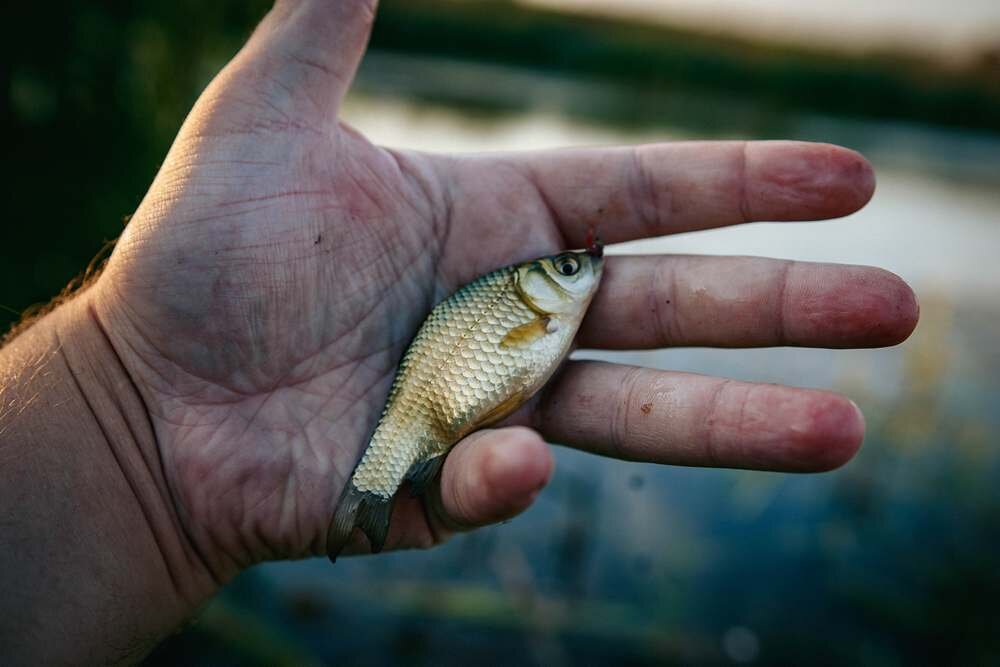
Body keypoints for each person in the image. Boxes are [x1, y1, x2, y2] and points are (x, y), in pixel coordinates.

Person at [0, 1, 918, 662]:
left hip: (431, 397)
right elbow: (515, 363)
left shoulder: (530, 312)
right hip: (420, 404)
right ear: (541, 286)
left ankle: (370, 482)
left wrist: (118, 412)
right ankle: (372, 483)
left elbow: (517, 363)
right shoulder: (526, 312)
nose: (579, 275)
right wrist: (123, 388)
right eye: (564, 270)